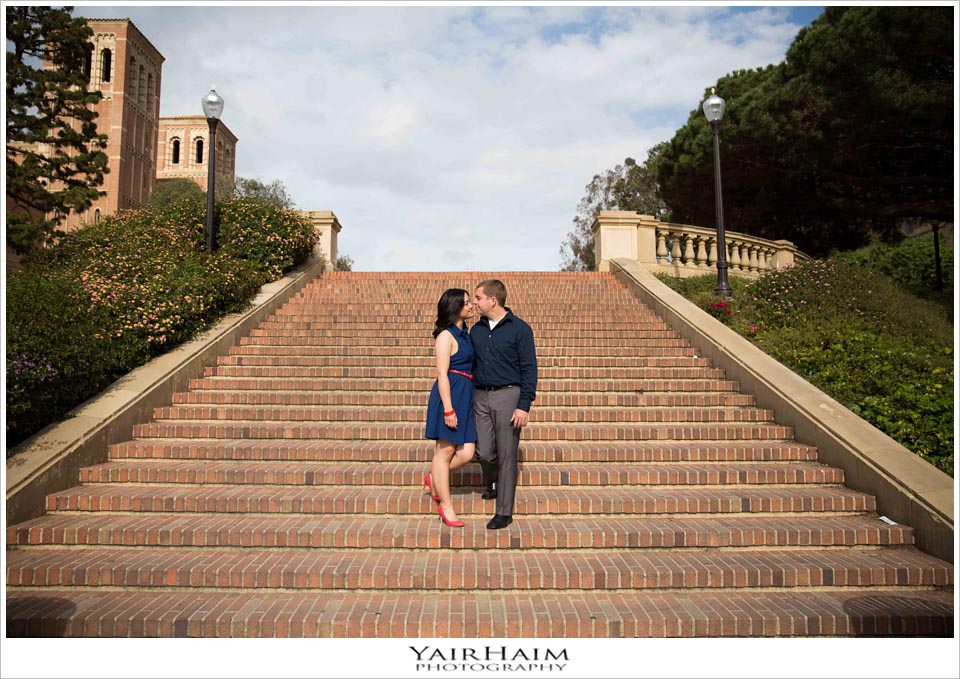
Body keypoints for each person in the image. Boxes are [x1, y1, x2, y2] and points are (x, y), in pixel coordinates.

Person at [470, 279, 538, 530]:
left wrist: (524, 405)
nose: (475, 303)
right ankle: (493, 481)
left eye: (478, 298)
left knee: (508, 454)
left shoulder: (520, 329)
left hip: (509, 396)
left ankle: (504, 512)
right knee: (485, 452)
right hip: (480, 396)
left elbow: (529, 369)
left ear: (492, 300)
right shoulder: (475, 330)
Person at [423, 289, 478, 527]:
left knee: (467, 453)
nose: (471, 306)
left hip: (466, 394)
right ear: (455, 307)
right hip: (450, 395)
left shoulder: (465, 334)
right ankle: (446, 506)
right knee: (444, 452)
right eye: (466, 303)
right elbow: (441, 374)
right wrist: (448, 408)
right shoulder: (445, 336)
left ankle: (435, 477)